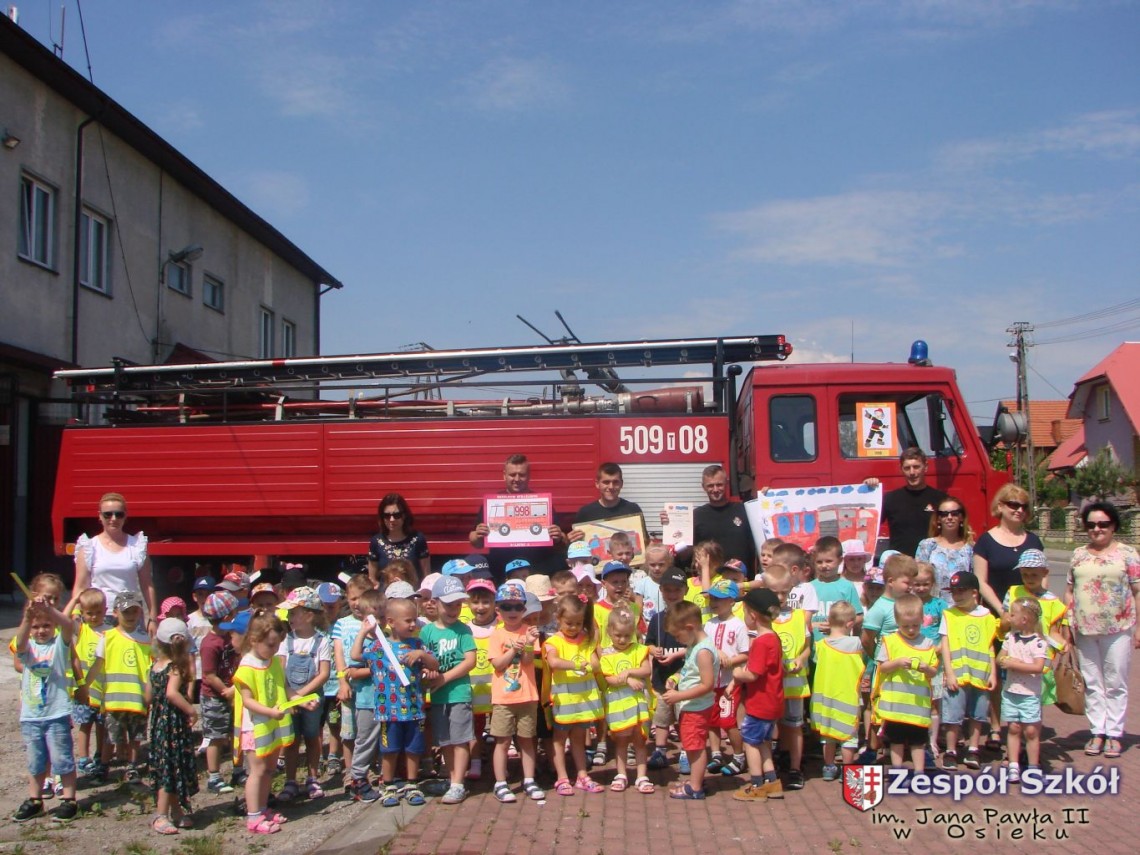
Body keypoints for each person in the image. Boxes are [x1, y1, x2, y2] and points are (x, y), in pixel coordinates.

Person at [1065, 501, 1140, 760]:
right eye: (1092, 524)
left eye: (1103, 524)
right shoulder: (1078, 554)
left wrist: (1139, 627)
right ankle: (1097, 731)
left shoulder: (1128, 554)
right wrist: (1067, 622)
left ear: (1113, 526)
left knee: (1115, 681)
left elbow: (1137, 591)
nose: (1097, 529)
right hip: (1084, 629)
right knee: (1093, 682)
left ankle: (1115, 734)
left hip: (1118, 628)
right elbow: (1069, 590)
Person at [234, 609, 313, 835]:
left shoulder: (273, 662)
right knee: (257, 771)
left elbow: (285, 687)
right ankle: (253, 816)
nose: (275, 650)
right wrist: (270, 712)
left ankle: (263, 808)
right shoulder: (247, 666)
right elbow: (247, 701)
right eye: (270, 645)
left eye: (278, 645)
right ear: (254, 640)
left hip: (272, 725)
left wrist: (303, 700)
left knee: (269, 770)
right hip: (255, 727)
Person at [354, 598, 436, 807]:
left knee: (413, 748)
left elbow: (435, 663)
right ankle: (388, 784)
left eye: (415, 620)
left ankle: (411, 783)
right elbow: (355, 655)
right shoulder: (379, 646)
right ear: (391, 621)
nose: (412, 624)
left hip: (414, 709)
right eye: (408, 620)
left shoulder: (417, 644)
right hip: (388, 711)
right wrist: (364, 631)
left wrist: (422, 656)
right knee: (389, 749)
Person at [13, 593, 78, 823]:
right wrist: (27, 618)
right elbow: (19, 643)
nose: (41, 630)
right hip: (31, 717)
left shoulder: (60, 645)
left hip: (57, 714)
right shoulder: (28, 647)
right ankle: (35, 800)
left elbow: (68, 625)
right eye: (37, 626)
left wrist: (50, 610)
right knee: (35, 761)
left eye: (46, 626)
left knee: (62, 759)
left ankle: (69, 800)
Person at [421, 575, 478, 804]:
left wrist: (444, 678)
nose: (454, 609)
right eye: (449, 604)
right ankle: (453, 778)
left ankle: (457, 783)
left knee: (460, 739)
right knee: (444, 739)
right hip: (437, 696)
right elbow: (423, 662)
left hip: (458, 692)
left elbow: (470, 661)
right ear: (435, 602)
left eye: (458, 604)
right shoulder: (426, 632)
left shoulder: (463, 630)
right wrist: (428, 674)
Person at [66, 492, 157, 631]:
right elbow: (80, 587)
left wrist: (152, 618)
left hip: (130, 614)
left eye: (119, 514)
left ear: (125, 516)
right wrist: (76, 614)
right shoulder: (89, 547)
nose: (113, 519)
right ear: (100, 516)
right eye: (108, 514)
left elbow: (147, 585)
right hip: (99, 615)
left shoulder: (137, 546)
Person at [488, 583, 544, 802]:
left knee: (527, 740)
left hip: (527, 695)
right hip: (503, 697)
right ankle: (500, 782)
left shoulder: (529, 631)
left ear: (524, 609)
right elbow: (498, 665)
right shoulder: (497, 634)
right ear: (498, 610)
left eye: (517, 607)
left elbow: (530, 661)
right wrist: (514, 649)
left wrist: (528, 645)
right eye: (507, 607)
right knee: (502, 741)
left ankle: (529, 779)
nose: (512, 611)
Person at [469, 454, 569, 578]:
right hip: (503, 572)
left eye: (521, 475)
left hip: (536, 572)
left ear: (529, 476)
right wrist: (478, 534)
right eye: (512, 475)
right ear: (504, 475)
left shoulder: (541, 502)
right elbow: (475, 542)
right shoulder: (492, 504)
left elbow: (562, 543)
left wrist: (559, 537)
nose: (517, 479)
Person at [277, 587, 333, 802]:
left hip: (311, 698)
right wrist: (290, 694)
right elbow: (280, 670)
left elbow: (324, 673)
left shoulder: (321, 642)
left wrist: (301, 694)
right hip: (289, 697)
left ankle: (312, 777)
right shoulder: (285, 640)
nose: (289, 617)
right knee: (291, 740)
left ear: (309, 615)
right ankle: (290, 780)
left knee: (312, 737)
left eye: (293, 613)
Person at [90, 591, 152, 783]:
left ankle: (132, 767)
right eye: (126, 611)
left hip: (137, 699)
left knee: (136, 736)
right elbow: (97, 666)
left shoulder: (146, 640)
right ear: (116, 612)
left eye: (135, 611)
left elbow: (151, 669)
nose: (131, 615)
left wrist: (150, 695)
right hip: (114, 700)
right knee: (111, 736)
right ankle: (104, 765)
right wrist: (86, 689)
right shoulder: (108, 637)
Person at [545, 593, 604, 795]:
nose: (573, 627)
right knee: (560, 739)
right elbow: (553, 662)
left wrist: (591, 659)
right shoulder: (554, 640)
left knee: (579, 738)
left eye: (578, 623)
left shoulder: (586, 639)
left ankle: (582, 775)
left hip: (583, 700)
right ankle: (562, 777)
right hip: (564, 700)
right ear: (558, 619)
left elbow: (596, 663)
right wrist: (577, 664)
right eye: (569, 623)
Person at [938, 571, 997, 770]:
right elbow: (945, 644)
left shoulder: (987, 617)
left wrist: (993, 673)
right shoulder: (949, 614)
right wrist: (949, 672)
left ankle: (973, 749)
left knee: (978, 714)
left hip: (980, 674)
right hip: (958, 674)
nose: (956, 595)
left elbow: (990, 647)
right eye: (953, 591)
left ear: (974, 592)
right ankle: (951, 750)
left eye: (961, 591)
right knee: (953, 715)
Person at [731, 588, 785, 801]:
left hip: (760, 703)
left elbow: (753, 674)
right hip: (772, 701)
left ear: (752, 615)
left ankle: (756, 784)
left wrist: (737, 673)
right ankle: (772, 782)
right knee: (762, 741)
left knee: (751, 742)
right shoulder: (773, 637)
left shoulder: (762, 642)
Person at [663, 600, 719, 800]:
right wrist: (676, 679)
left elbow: (707, 684)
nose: (678, 640)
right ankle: (696, 779)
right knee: (691, 745)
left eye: (678, 635)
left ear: (690, 627)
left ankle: (695, 787)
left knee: (694, 747)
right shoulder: (695, 646)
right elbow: (689, 672)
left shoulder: (703, 651)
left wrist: (679, 696)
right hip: (692, 706)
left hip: (696, 707)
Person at [876, 594, 940, 770]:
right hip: (896, 706)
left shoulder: (927, 643)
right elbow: (882, 667)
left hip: (917, 707)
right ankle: (897, 770)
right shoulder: (890, 641)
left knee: (918, 742)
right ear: (897, 621)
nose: (911, 630)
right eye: (905, 626)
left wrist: (926, 668)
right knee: (896, 741)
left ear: (922, 620)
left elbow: (934, 671)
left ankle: (919, 772)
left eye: (915, 625)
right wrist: (896, 663)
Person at [148, 618, 199, 835]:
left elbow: (149, 696)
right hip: (173, 725)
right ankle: (161, 816)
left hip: (159, 723)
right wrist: (191, 710)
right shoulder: (176, 668)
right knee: (169, 768)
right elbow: (172, 693)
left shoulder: (155, 667)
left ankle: (177, 811)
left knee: (170, 766)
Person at [599, 606, 654, 794]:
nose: (622, 640)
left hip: (638, 705)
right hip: (618, 705)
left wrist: (629, 671)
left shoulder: (639, 650)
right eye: (618, 635)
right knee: (621, 742)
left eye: (627, 635)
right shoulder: (607, 655)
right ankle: (621, 774)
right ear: (609, 632)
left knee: (639, 742)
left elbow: (646, 670)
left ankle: (641, 775)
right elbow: (610, 679)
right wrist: (628, 679)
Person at [766, 563, 810, 790]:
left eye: (785, 591)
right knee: (769, 725)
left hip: (794, 683)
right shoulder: (762, 618)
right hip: (770, 685)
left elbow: (807, 646)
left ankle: (795, 768)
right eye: (775, 592)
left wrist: (801, 659)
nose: (781, 597)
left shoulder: (800, 616)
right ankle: (769, 766)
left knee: (793, 725)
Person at [340, 586, 385, 802]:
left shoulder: (388, 638)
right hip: (367, 700)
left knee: (385, 740)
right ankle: (358, 779)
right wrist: (362, 633)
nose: (377, 619)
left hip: (388, 699)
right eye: (371, 615)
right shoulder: (366, 640)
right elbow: (353, 664)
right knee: (365, 740)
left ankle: (387, 777)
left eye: (380, 614)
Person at [811, 601, 865, 781]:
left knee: (828, 735)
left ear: (828, 619)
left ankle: (828, 767)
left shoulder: (820, 645)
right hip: (849, 696)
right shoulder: (855, 643)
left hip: (826, 698)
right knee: (849, 735)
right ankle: (848, 770)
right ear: (850, 623)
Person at [997, 598, 1048, 782]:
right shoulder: (1010, 638)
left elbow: (1038, 667)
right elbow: (999, 658)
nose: (1009, 617)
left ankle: (1033, 766)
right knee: (1013, 728)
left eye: (1013, 614)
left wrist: (1015, 664)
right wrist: (1004, 661)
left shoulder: (1038, 643)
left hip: (1029, 694)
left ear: (1024, 619)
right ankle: (1013, 764)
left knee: (1031, 731)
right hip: (1011, 691)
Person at [974, 484, 1044, 615]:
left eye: (1024, 506)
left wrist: (1039, 604)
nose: (1019, 510)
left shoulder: (1034, 540)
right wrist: (1002, 611)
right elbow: (980, 582)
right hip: (997, 612)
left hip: (1030, 614)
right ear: (1000, 506)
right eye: (1013, 505)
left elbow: (1043, 577)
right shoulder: (985, 541)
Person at [865, 448, 948, 557]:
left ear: (926, 467)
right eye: (907, 468)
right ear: (901, 469)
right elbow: (867, 524)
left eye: (916, 467)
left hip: (930, 563)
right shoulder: (890, 499)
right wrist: (867, 492)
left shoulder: (941, 499)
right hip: (899, 565)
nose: (912, 472)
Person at [704, 579, 749, 776]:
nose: (713, 602)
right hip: (710, 681)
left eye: (719, 599)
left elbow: (746, 653)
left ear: (731, 600)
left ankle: (739, 756)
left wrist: (731, 660)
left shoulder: (738, 625)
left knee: (728, 721)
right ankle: (716, 753)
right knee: (711, 720)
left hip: (729, 681)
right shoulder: (708, 624)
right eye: (712, 598)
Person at [198, 590, 241, 795]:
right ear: (225, 618)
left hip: (233, 691)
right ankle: (214, 776)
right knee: (216, 736)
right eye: (234, 613)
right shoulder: (210, 644)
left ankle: (238, 769)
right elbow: (208, 674)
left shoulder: (231, 637)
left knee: (236, 732)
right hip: (215, 696)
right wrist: (226, 691)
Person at [645, 568, 689, 770]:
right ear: (661, 590)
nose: (672, 594)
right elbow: (649, 643)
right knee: (662, 717)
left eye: (676, 590)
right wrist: (655, 651)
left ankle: (687, 752)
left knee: (684, 717)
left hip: (685, 678)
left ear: (685, 591)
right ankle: (660, 751)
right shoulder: (656, 619)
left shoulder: (691, 616)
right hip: (662, 678)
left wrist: (676, 654)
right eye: (668, 590)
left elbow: (696, 646)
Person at [677, 464, 756, 571]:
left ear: (726, 483)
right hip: (710, 580)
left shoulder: (744, 510)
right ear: (703, 487)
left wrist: (767, 497)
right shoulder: (695, 516)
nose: (715, 489)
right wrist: (670, 522)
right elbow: (685, 555)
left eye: (719, 485)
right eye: (710, 485)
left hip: (741, 580)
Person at [915, 496, 975, 601]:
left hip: (961, 608)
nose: (949, 517)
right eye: (944, 514)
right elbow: (916, 579)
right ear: (938, 519)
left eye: (955, 513)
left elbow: (975, 582)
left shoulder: (970, 548)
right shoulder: (927, 545)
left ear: (961, 517)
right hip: (932, 607)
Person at [368, 493, 430, 585]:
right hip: (386, 597)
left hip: (411, 596)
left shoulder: (417, 539)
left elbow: (426, 576)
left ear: (404, 515)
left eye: (397, 515)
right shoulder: (376, 542)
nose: (392, 519)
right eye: (387, 515)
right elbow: (372, 580)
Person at [571, 462, 645, 528]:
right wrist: (570, 540)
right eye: (606, 482)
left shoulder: (633, 510)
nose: (611, 487)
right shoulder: (586, 513)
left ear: (621, 484)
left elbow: (644, 541)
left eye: (615, 482)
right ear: (597, 484)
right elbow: (578, 542)